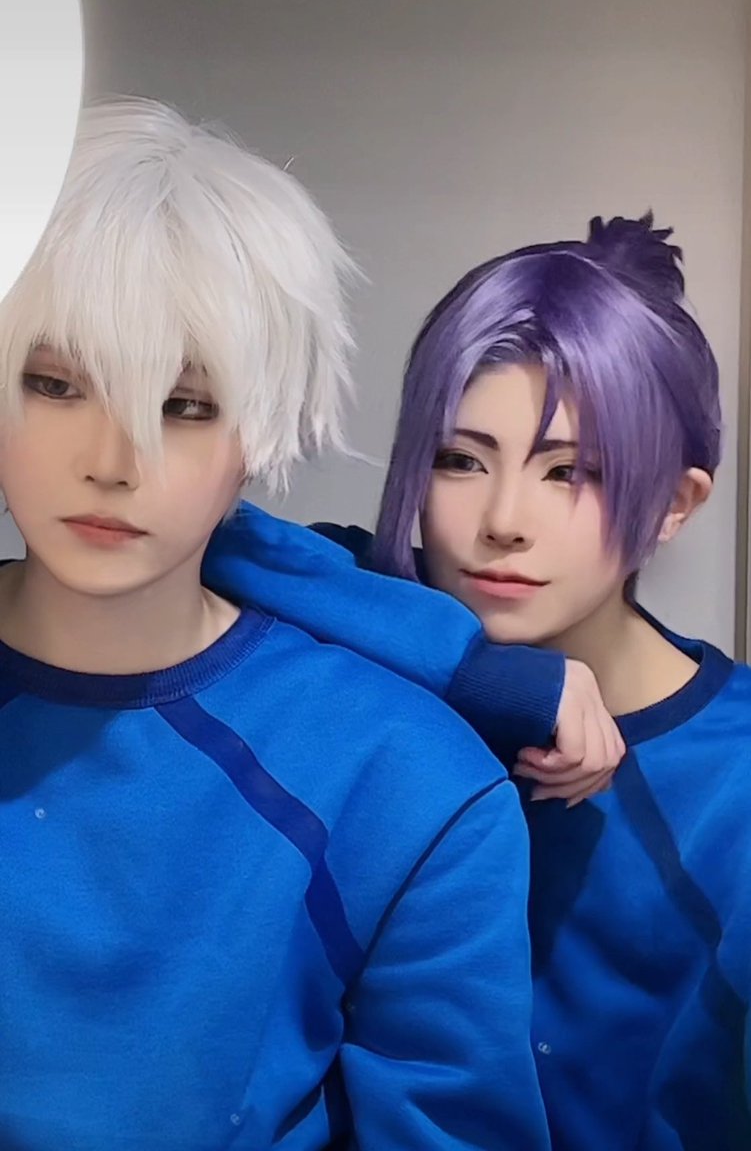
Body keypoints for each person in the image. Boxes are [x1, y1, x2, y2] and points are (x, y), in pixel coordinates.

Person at [0, 97, 552, 1150]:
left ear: (258, 430)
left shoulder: (407, 783)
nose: (113, 460)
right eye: (56, 384)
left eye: (185, 404)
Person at [202, 213, 751, 1148]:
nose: (502, 521)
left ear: (673, 503)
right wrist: (474, 669)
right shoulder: (361, 614)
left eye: (569, 472)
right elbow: (207, 531)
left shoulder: (733, 776)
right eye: (459, 460)